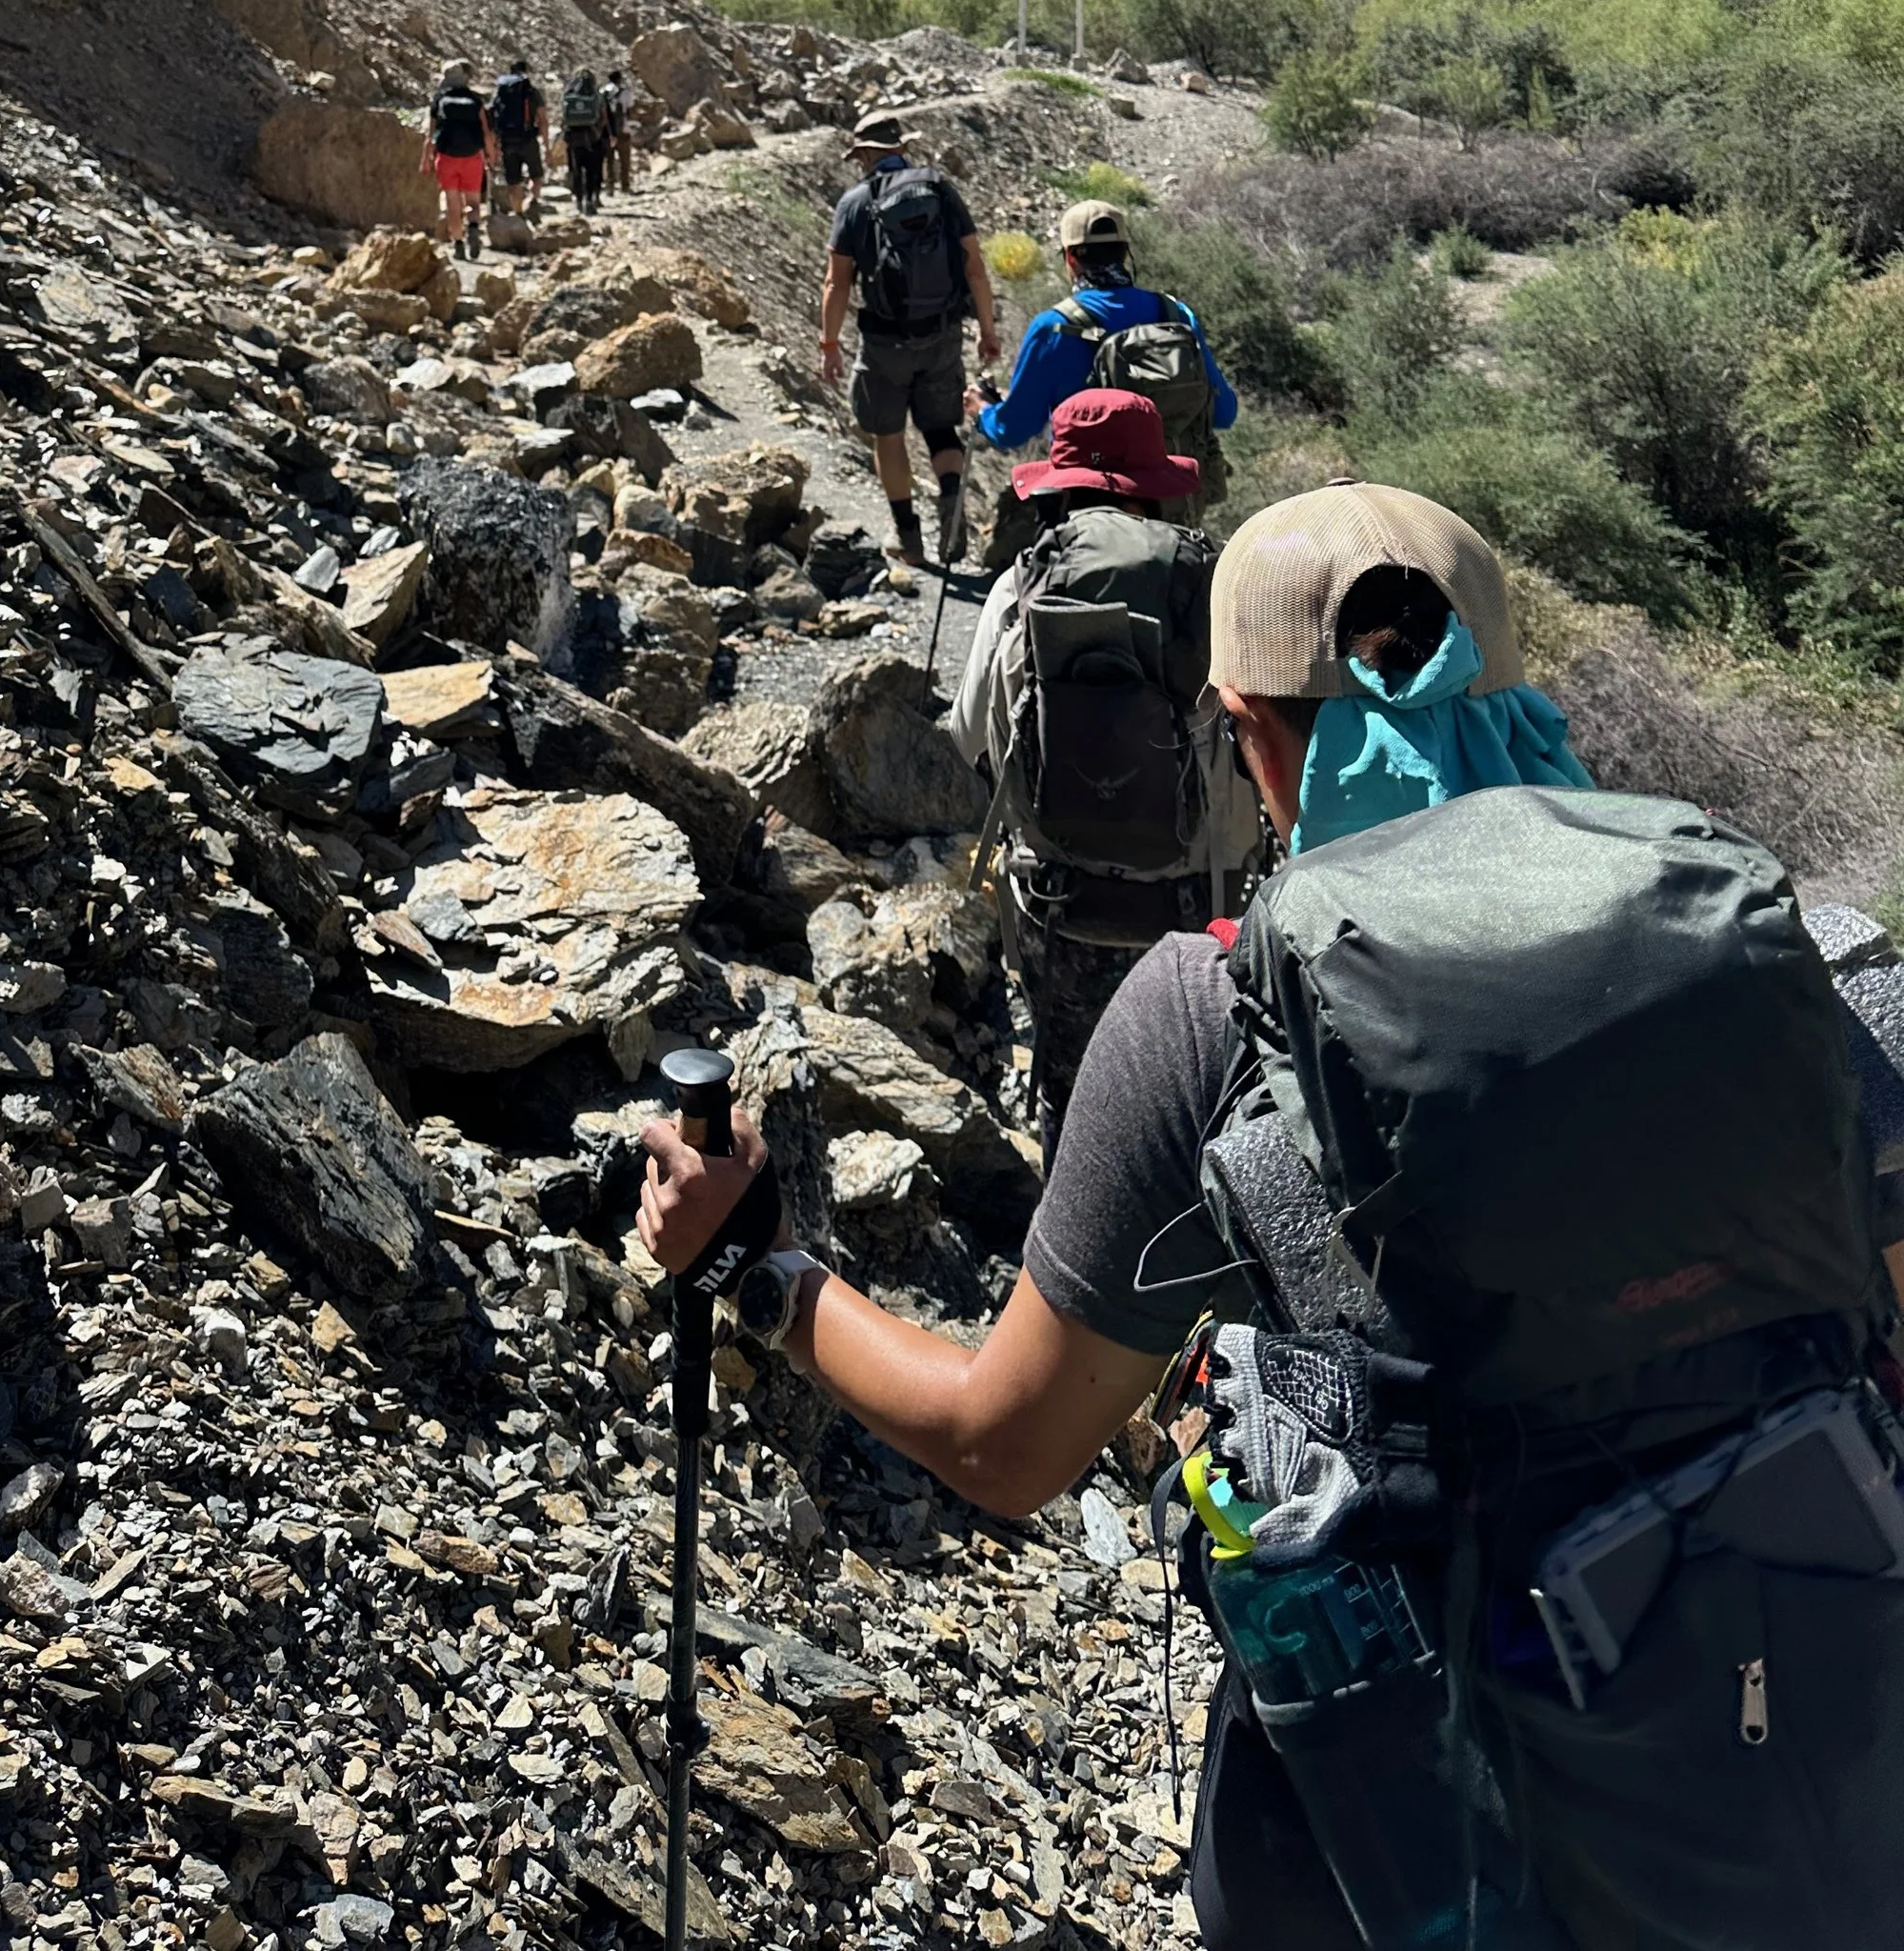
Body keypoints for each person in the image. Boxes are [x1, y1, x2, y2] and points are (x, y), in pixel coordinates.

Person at [640, 489, 1904, 1949]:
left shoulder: (1208, 1023)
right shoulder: (1812, 962)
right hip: (1820, 1735)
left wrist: (760, 1269)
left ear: (1244, 731)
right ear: (1514, 682)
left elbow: (1004, 1442)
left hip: (1405, 1820)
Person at [947, 387, 1260, 1166]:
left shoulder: (1020, 584)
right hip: (1199, 912)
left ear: (1059, 483)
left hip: (1061, 906)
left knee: (1073, 1092)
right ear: (1155, 483)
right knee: (1198, 1102)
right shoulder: (1211, 585)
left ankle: (1067, 1258)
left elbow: (969, 738)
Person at [971, 199, 1236, 559]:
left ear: (1070, 260)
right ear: (1126, 253)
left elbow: (1011, 430)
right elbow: (1224, 412)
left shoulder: (1054, 328)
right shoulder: (1176, 314)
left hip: (1091, 519)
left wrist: (982, 412)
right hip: (1175, 510)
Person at [820, 112, 1001, 567]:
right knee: (941, 427)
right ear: (901, 149)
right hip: (941, 335)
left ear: (864, 154)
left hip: (884, 343)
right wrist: (987, 329)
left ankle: (909, 540)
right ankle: (952, 505)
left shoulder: (855, 202)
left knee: (888, 433)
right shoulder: (940, 190)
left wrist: (829, 344)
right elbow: (974, 265)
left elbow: (837, 283)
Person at [425, 64, 491, 261]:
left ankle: (459, 243)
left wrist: (426, 159)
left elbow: (430, 135)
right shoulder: (474, 99)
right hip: (472, 157)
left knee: (453, 203)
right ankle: (472, 227)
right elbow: (486, 132)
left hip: (446, 158)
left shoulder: (440, 99)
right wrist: (490, 155)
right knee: (473, 202)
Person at [490, 55, 545, 218]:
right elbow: (543, 119)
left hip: (507, 140)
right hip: (528, 138)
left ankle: (518, 212)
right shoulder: (531, 91)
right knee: (536, 174)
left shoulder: (501, 91)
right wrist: (546, 144)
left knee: (514, 180)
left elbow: (492, 115)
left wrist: (494, 144)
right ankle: (533, 201)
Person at [561, 68, 609, 215]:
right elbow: (604, 118)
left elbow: (564, 118)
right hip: (592, 138)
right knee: (591, 170)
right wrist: (598, 130)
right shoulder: (597, 96)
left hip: (574, 139)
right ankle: (589, 200)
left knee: (576, 171)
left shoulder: (568, 95)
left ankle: (578, 201)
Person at [603, 68, 633, 195]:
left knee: (609, 159)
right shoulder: (625, 92)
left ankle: (609, 187)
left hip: (607, 131)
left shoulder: (602, 91)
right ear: (619, 79)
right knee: (624, 159)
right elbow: (630, 109)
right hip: (623, 130)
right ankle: (624, 186)